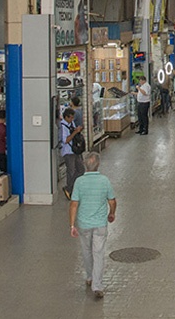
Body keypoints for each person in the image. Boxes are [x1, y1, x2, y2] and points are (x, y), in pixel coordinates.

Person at [69, 151, 116, 299]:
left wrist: (72, 225)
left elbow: (74, 204)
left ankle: (89, 276)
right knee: (99, 253)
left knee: (86, 250)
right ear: (98, 164)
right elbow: (112, 201)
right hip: (100, 224)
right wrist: (111, 213)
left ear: (84, 164)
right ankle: (98, 285)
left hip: (84, 224)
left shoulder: (79, 182)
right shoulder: (104, 181)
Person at [60, 107, 85, 198]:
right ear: (66, 117)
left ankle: (71, 187)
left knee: (81, 169)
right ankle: (69, 189)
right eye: (70, 118)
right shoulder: (62, 126)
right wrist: (75, 132)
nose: (72, 119)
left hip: (75, 151)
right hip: (68, 152)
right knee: (71, 171)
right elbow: (65, 140)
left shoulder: (71, 123)